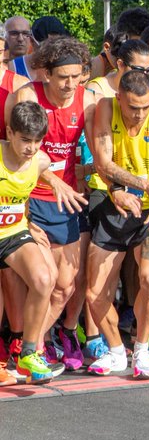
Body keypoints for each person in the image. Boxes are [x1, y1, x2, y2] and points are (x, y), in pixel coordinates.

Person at [84, 71, 149, 379]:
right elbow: (103, 163)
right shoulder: (105, 108)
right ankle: (116, 351)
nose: (139, 114)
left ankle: (142, 349)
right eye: (133, 108)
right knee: (93, 293)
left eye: (144, 107)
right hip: (115, 206)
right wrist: (138, 184)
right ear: (120, 100)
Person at [7, 37, 95, 372]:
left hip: (66, 200)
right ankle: (23, 347)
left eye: (77, 76)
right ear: (46, 74)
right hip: (31, 198)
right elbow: (18, 149)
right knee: (42, 279)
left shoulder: (88, 99)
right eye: (63, 77)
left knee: (64, 287)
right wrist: (27, 211)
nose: (71, 84)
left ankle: (35, 346)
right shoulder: (28, 95)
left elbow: (101, 153)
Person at [0, 101, 63, 383]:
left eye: (38, 141)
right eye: (25, 140)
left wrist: (29, 222)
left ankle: (28, 353)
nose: (31, 147)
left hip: (13, 233)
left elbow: (19, 198)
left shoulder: (40, 161)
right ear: (10, 133)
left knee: (45, 279)